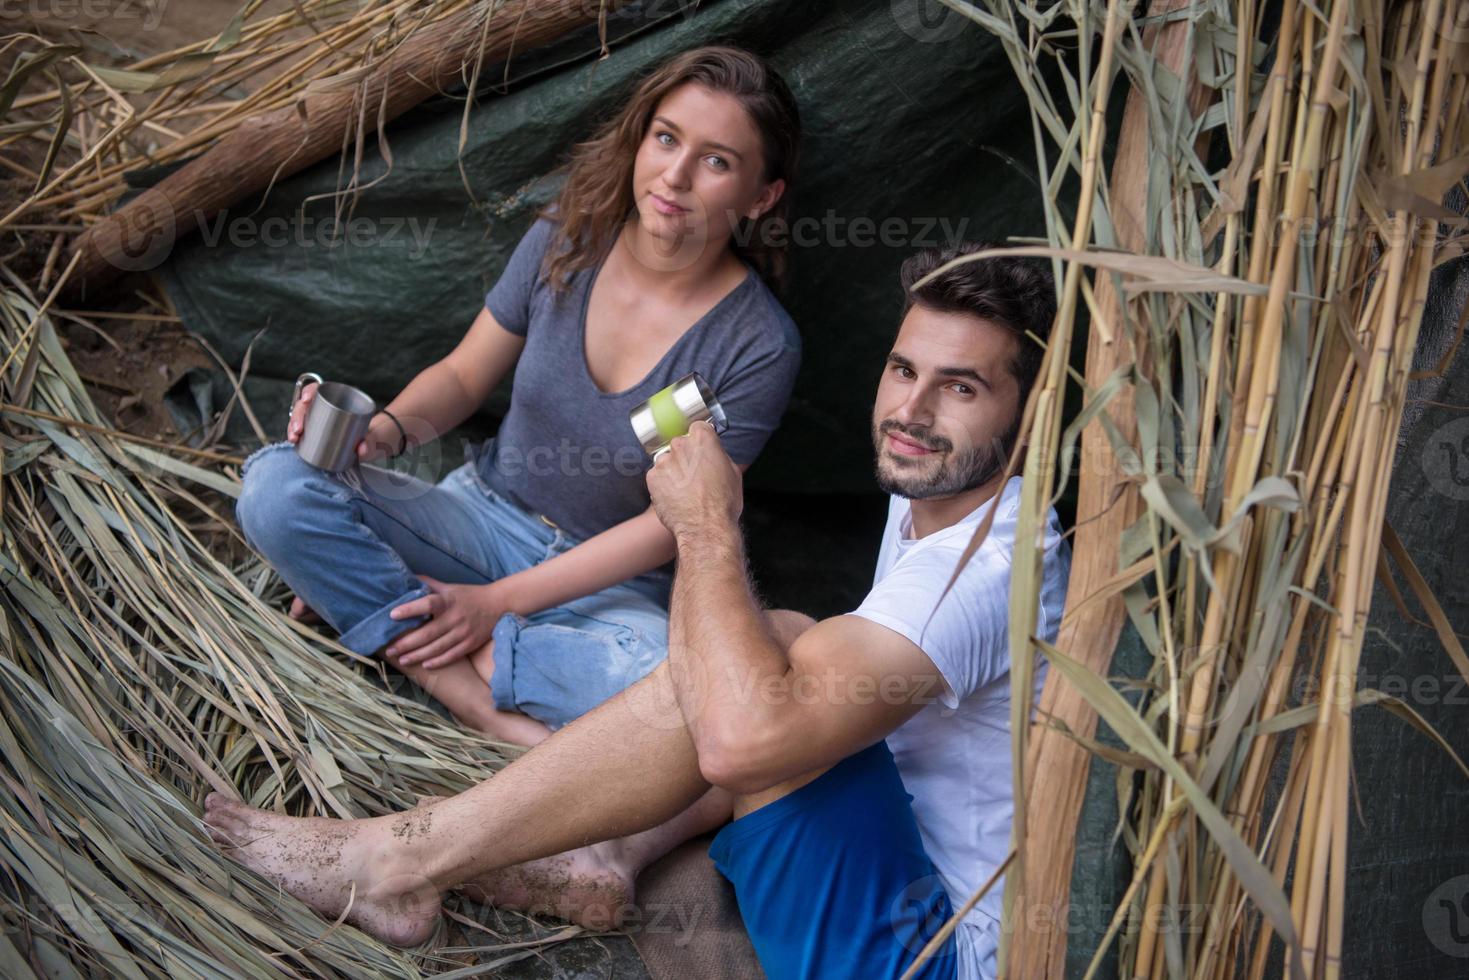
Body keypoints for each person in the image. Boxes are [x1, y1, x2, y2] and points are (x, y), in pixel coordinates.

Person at [208, 243, 1071, 980]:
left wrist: (703, 521)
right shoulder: (940, 502)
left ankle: (399, 860)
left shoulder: (986, 563)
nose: (911, 412)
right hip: (888, 859)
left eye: (960, 389)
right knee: (791, 645)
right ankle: (606, 852)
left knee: (764, 671)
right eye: (902, 370)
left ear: (1029, 415)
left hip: (924, 954)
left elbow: (738, 741)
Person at [235, 46, 803, 747]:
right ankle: (464, 681)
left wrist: (494, 606)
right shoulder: (568, 238)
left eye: (716, 161)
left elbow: (671, 523)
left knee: (673, 693)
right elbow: (464, 377)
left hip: (608, 591)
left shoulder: (754, 343)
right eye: (666, 138)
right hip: (477, 519)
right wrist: (380, 434)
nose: (675, 175)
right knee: (276, 488)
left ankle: (414, 636)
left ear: (761, 196)